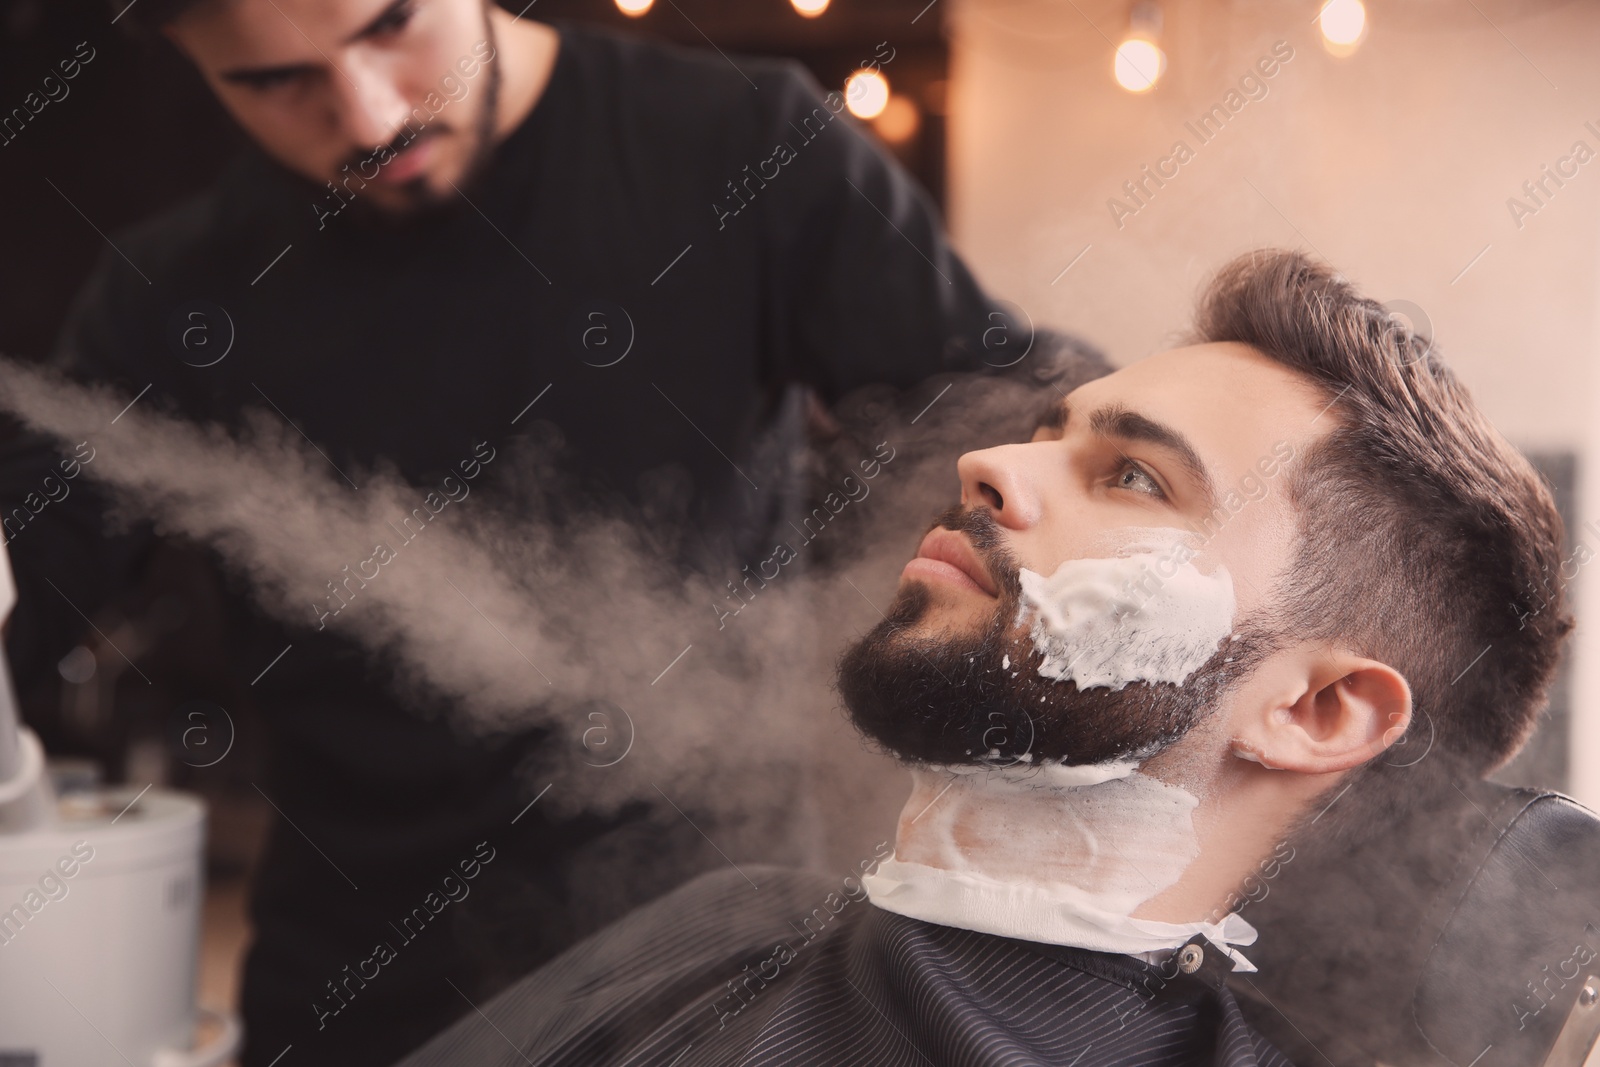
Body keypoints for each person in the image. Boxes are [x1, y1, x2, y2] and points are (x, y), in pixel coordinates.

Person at [0, 1, 1024, 1062]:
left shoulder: (746, 146)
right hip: (362, 996)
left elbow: (998, 408)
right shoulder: (175, 289)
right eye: (275, 81)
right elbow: (39, 563)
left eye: (389, 24)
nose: (369, 114)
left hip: (707, 988)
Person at [389, 249, 1571, 1067]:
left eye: (1132, 476)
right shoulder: (731, 926)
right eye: (1049, 429)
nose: (992, 462)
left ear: (1316, 708)